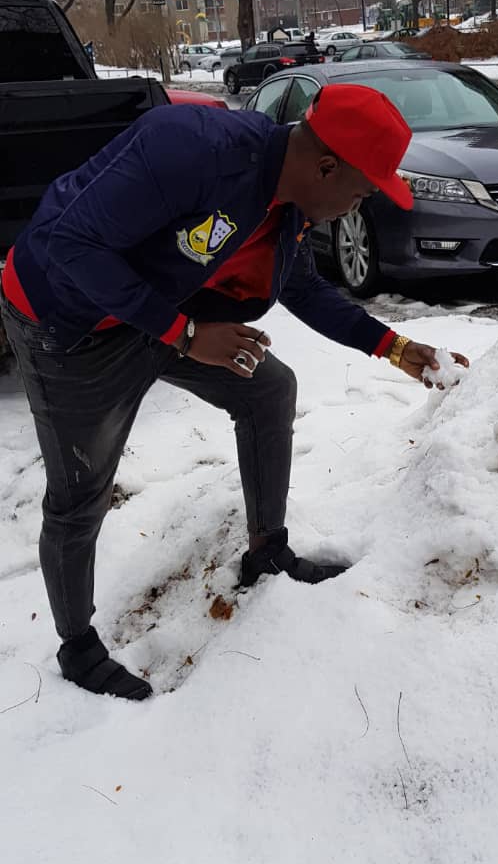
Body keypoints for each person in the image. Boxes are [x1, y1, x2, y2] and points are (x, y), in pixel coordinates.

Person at [1, 84, 468, 701]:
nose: (360, 206)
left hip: (166, 316)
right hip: (69, 325)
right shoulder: (189, 147)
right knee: (80, 493)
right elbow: (71, 247)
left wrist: (394, 348)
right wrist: (187, 335)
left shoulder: (293, 207)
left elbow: (304, 291)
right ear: (326, 165)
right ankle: (78, 648)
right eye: (362, 190)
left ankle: (267, 550)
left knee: (269, 390)